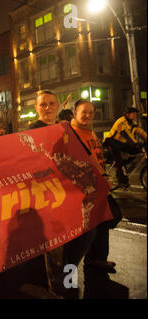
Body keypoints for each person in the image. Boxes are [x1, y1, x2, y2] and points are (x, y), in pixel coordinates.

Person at [27, 90, 96, 298]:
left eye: (51, 103)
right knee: (56, 246)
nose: (47, 107)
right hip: (48, 195)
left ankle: (67, 277)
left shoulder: (65, 128)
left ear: (58, 106)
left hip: (71, 193)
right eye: (43, 105)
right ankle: (59, 289)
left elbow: (79, 156)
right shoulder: (32, 130)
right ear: (37, 108)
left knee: (86, 233)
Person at [70, 99, 116, 274]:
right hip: (85, 189)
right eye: (84, 112)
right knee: (89, 228)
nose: (88, 115)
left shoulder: (90, 131)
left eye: (91, 112)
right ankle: (68, 273)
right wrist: (103, 176)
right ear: (75, 113)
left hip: (100, 186)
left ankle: (97, 259)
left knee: (103, 221)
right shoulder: (73, 133)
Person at [104, 107, 147, 188]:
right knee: (119, 161)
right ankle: (122, 181)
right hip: (112, 142)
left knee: (137, 152)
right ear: (127, 114)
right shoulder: (122, 121)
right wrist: (135, 143)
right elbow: (126, 135)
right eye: (133, 114)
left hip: (121, 144)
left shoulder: (132, 123)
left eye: (135, 114)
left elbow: (140, 132)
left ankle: (124, 167)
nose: (135, 116)